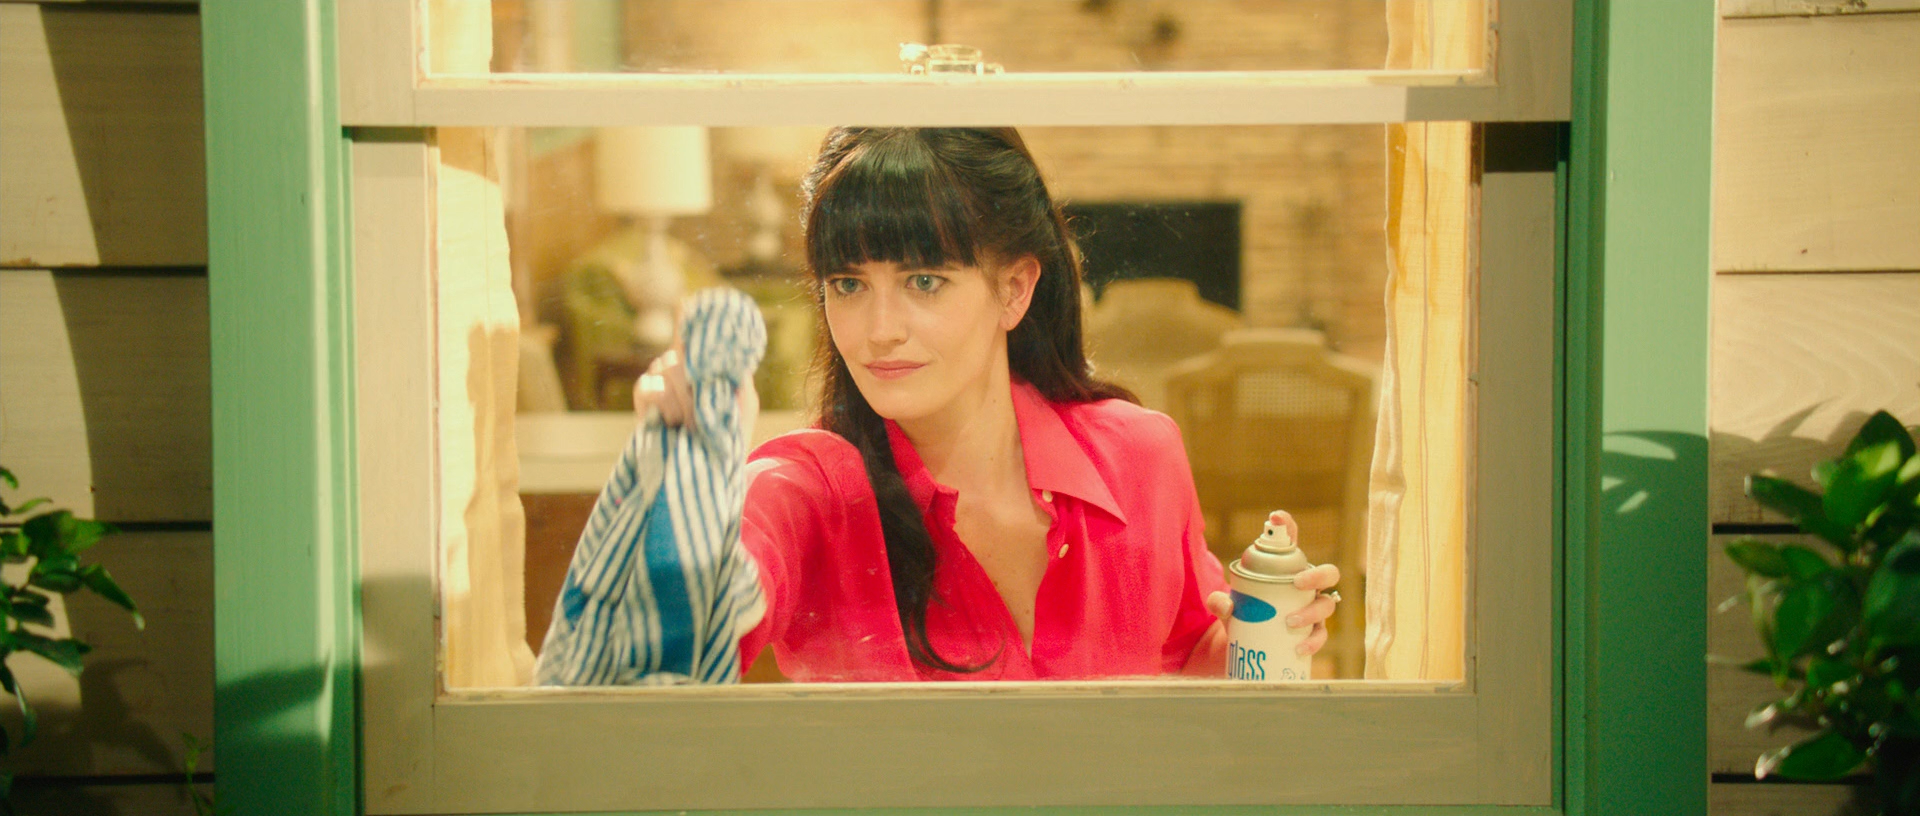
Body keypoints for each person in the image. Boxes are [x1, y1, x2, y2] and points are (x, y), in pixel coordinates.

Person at [623, 126, 1338, 682]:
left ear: (1014, 290)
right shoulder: (804, 490)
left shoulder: (1139, 454)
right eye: (848, 284)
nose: (878, 330)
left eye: (924, 281)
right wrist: (689, 482)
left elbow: (1184, 659)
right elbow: (675, 647)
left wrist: (1259, 637)